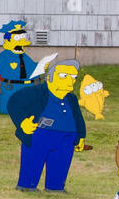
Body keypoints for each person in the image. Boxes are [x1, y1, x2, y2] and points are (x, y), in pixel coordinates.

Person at [9, 60, 86, 192]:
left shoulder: (71, 99)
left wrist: (81, 136)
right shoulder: (36, 92)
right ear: (50, 77)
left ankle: (55, 187)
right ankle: (27, 185)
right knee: (33, 159)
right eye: (63, 76)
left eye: (73, 77)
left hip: (67, 137)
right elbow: (14, 103)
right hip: (40, 134)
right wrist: (23, 123)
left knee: (61, 161)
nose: (70, 81)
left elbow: (78, 118)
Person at [0, 20, 37, 114]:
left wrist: (39, 68)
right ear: (8, 40)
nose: (22, 39)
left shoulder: (25, 56)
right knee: (8, 101)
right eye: (18, 37)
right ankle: (6, 110)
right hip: (9, 86)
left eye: (23, 36)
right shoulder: (4, 56)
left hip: (24, 85)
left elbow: (31, 67)